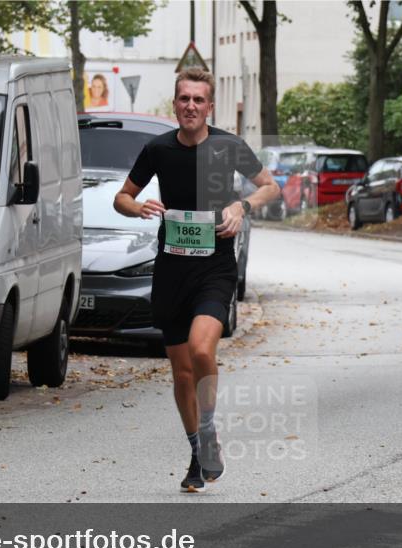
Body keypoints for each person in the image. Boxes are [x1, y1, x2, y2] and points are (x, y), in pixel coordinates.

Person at [114, 68, 280, 492]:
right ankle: (197, 451)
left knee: (202, 350)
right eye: (184, 99)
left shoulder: (228, 146)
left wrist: (241, 205)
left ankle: (208, 430)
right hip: (172, 271)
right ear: (175, 104)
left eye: (198, 100)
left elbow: (270, 187)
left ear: (210, 107)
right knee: (183, 375)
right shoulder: (158, 149)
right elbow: (122, 197)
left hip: (215, 268)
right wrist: (138, 207)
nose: (190, 106)